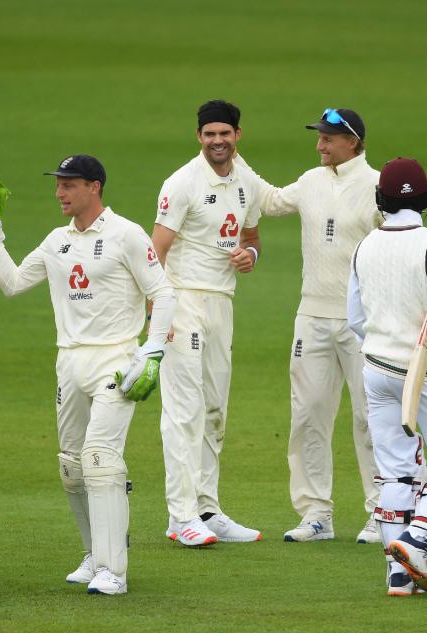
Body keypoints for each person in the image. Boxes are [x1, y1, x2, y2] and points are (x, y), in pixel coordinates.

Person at [0, 155, 175, 594]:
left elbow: (163, 292)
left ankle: (113, 572)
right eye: (58, 184)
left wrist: (152, 352)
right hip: (69, 362)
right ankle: (93, 555)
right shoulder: (55, 241)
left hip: (115, 360)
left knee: (100, 459)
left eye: (69, 185)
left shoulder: (126, 234)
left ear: (95, 187)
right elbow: (11, 284)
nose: (60, 193)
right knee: (72, 467)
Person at [253, 108, 382, 544]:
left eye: (328, 138)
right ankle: (316, 515)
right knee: (308, 414)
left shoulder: (378, 185)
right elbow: (269, 202)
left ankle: (383, 511)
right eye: (319, 138)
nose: (319, 145)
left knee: (370, 418)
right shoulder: (310, 181)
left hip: (365, 322)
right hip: (312, 317)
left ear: (352, 141)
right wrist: (230, 159)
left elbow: (401, 242)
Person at [348, 157, 427, 596]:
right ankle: (417, 541)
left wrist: (386, 336)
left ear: (381, 198)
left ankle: (398, 576)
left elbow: (354, 317)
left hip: (376, 369)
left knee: (396, 473)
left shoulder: (365, 245)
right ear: (426, 197)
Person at [151, 100, 266, 546]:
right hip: (181, 301)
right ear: (198, 137)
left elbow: (252, 236)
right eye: (209, 134)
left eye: (225, 133)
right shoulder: (182, 183)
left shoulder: (245, 181)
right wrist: (159, 315)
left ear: (238, 135)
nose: (217, 141)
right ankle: (179, 517)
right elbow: (154, 252)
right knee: (183, 411)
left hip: (222, 303)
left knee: (215, 409)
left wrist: (249, 255)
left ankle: (206, 509)